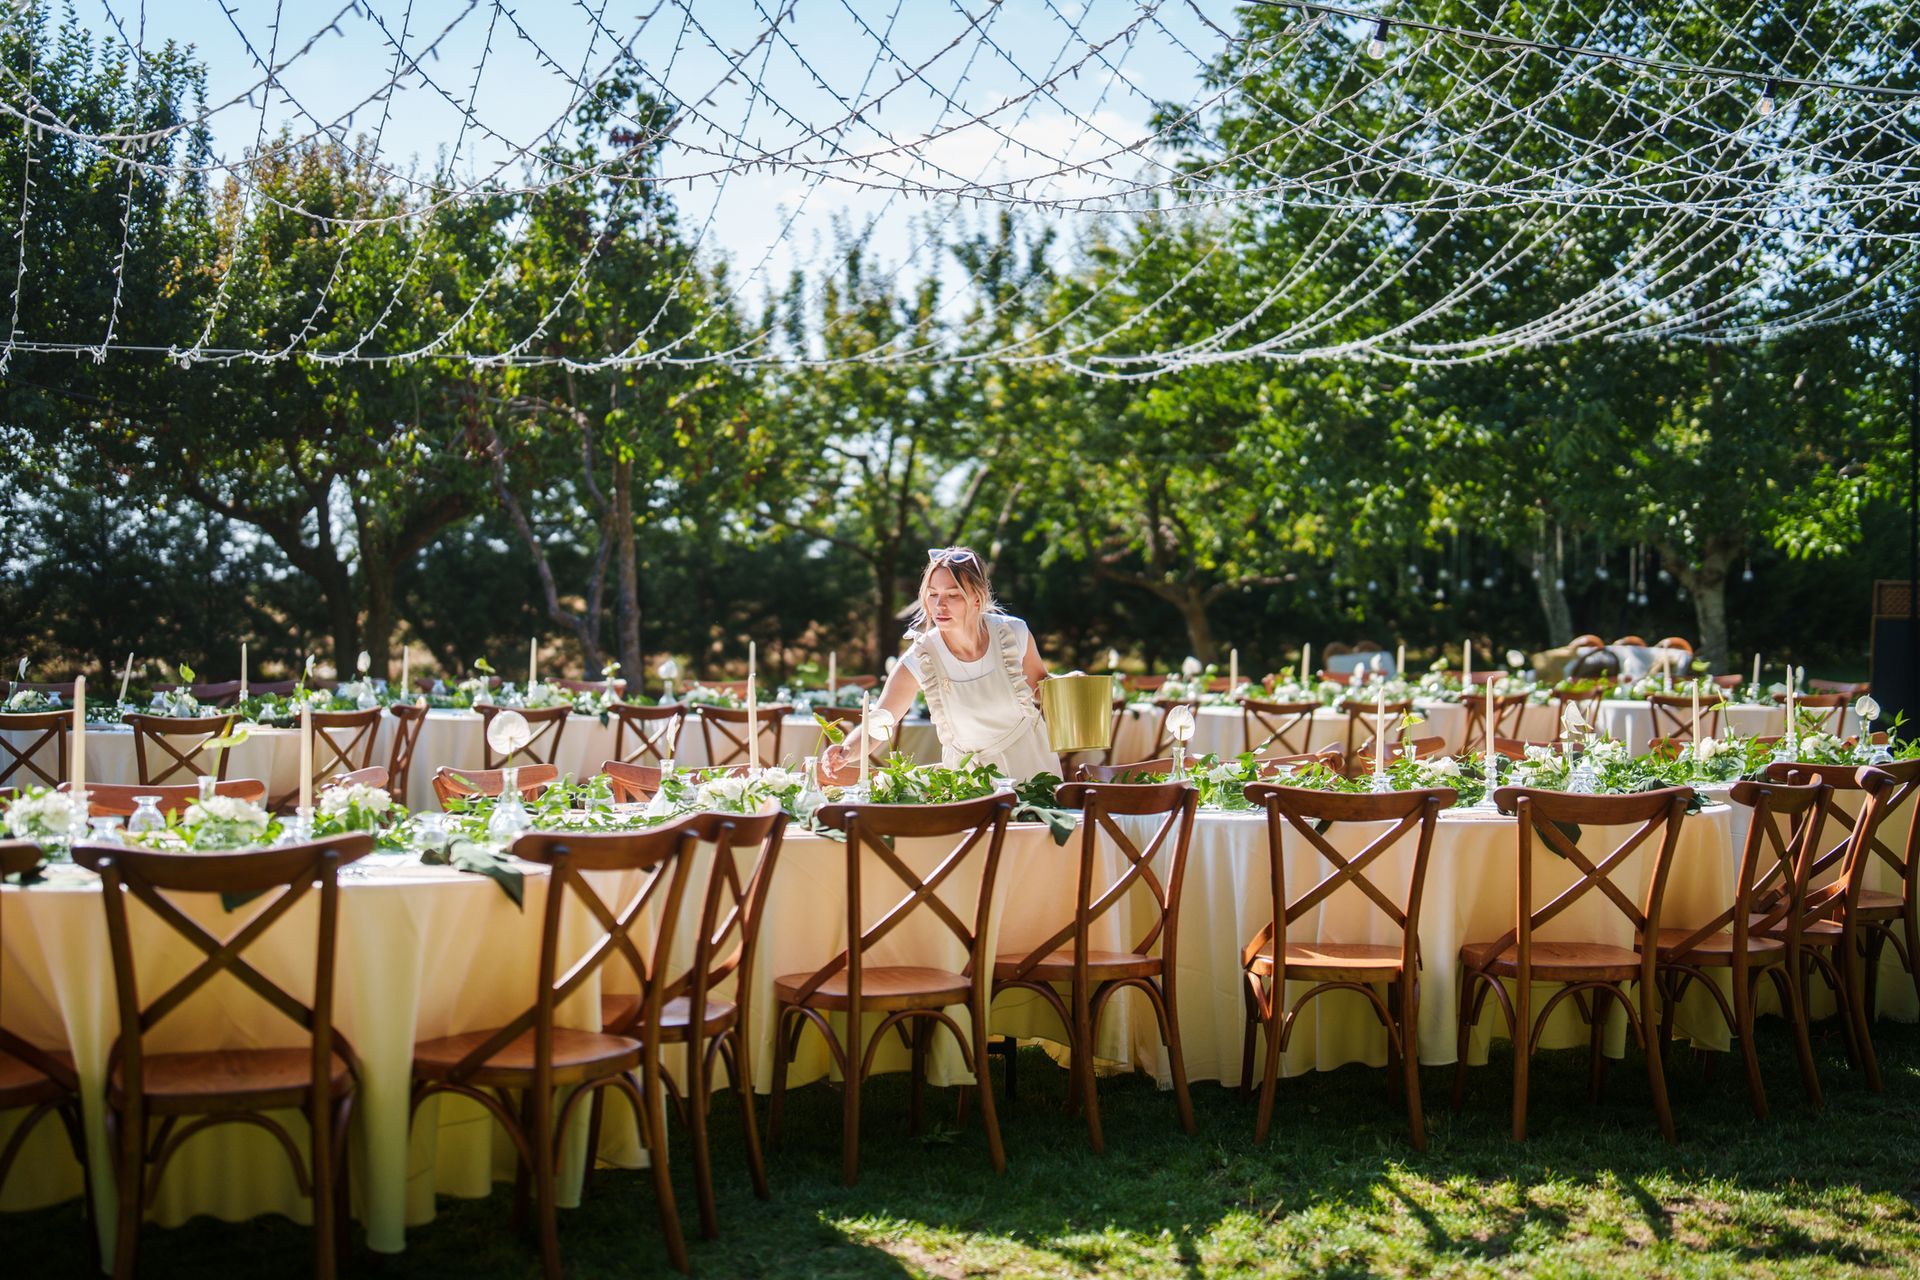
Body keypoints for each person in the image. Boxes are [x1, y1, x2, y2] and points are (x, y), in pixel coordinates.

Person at [822, 546, 1061, 781]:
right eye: (933, 594)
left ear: (978, 598)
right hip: (972, 782)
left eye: (953, 595)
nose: (939, 606)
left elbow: (1041, 691)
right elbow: (879, 724)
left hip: (1033, 770)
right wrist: (845, 751)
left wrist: (1069, 684)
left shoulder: (1013, 633)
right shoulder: (921, 656)